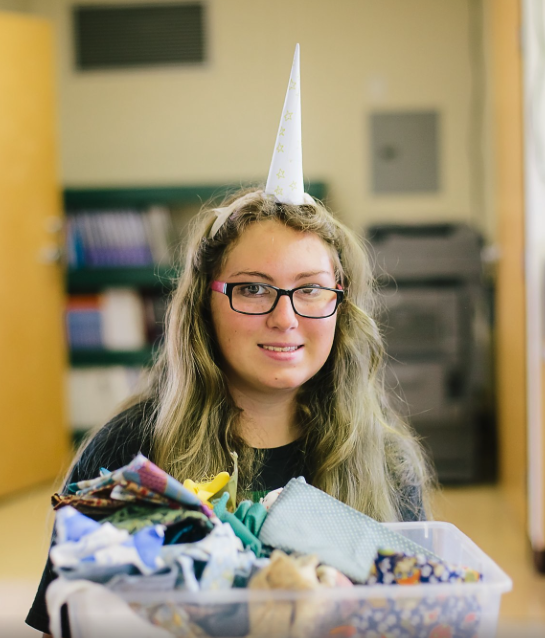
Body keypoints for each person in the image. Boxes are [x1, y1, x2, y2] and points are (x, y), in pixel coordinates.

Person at [26, 45, 433, 637]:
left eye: (311, 290)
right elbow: (66, 620)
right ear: (205, 305)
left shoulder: (386, 464)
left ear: (341, 306)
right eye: (252, 289)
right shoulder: (126, 454)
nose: (285, 317)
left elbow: (418, 619)